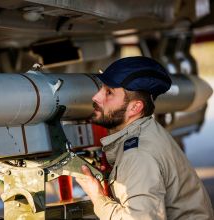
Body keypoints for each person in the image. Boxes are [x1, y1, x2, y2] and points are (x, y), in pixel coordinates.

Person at [76, 56, 214, 219]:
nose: (96, 97)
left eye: (109, 93)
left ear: (135, 107)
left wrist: (98, 198)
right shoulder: (147, 131)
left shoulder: (138, 155)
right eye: (101, 89)